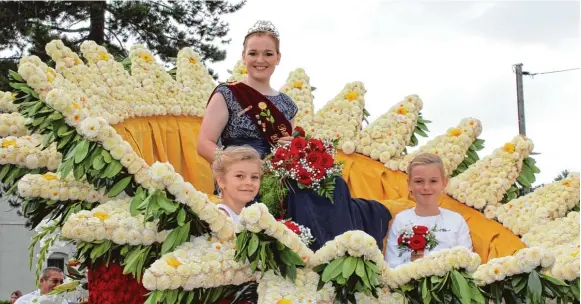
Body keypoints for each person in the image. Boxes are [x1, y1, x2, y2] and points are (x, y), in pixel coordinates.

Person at [198, 20, 392, 251]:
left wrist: (289, 149)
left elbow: (283, 147)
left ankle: (335, 253)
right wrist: (241, 167)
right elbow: (204, 144)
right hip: (243, 171)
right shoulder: (227, 94)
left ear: (278, 58)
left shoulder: (286, 105)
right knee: (296, 192)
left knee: (334, 184)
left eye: (268, 54)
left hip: (278, 171)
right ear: (244, 56)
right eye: (254, 53)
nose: (260, 60)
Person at [385, 153, 473, 268]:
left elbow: (467, 262)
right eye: (419, 181)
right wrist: (413, 264)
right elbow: (392, 265)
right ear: (409, 184)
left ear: (444, 183)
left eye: (433, 181)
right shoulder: (401, 220)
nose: (426, 187)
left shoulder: (456, 220)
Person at [212, 146, 263, 223]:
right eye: (240, 176)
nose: (249, 182)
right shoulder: (220, 219)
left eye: (254, 177)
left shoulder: (250, 219)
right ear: (221, 181)